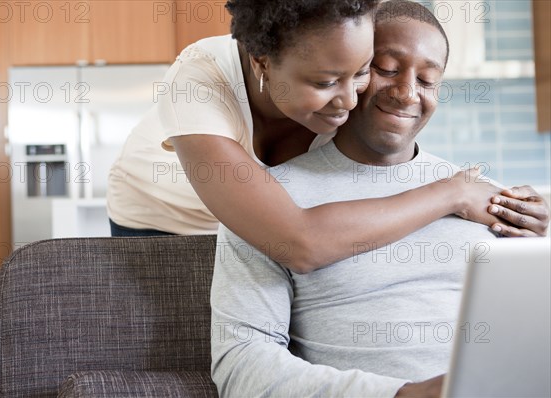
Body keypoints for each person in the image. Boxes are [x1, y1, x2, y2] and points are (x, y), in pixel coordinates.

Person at [210, 1, 548, 397]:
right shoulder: (269, 206)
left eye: (427, 80)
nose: (407, 94)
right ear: (351, 68)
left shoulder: (482, 195)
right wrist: (403, 394)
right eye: (386, 69)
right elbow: (241, 364)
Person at [107, 0, 548, 273]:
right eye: (324, 83)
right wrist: (453, 193)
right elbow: (299, 242)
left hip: (276, 233)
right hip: (161, 227)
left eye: (361, 73)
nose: (347, 102)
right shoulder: (201, 77)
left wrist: (507, 212)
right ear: (262, 63)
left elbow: (398, 174)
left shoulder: (344, 72)